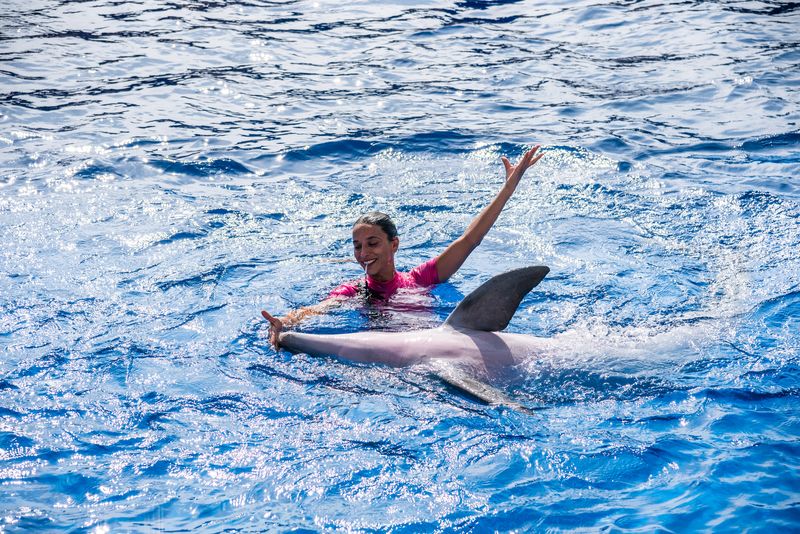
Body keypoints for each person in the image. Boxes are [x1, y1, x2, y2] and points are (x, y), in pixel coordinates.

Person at [262, 145, 544, 349]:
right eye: (357, 246)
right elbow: (319, 309)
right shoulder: (355, 292)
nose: (363, 254)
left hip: (441, 348)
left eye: (372, 244)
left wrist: (508, 188)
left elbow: (470, 240)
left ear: (394, 244)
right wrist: (286, 322)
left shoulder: (421, 279)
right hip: (401, 361)